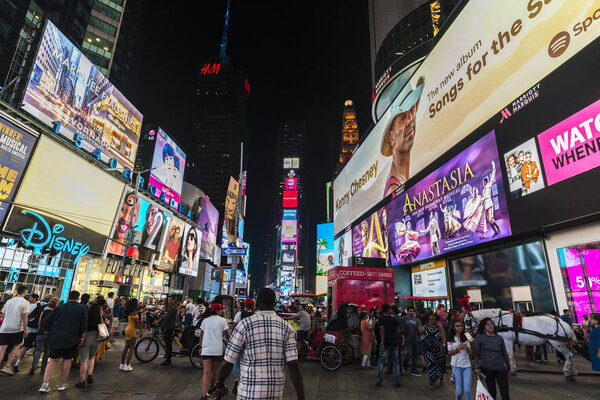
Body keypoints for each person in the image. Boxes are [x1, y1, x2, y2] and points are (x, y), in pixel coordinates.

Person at [213, 288, 305, 400]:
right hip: (274, 395)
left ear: (257, 303)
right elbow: (293, 365)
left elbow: (228, 362)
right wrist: (301, 397)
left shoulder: (244, 325)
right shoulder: (287, 328)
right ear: (274, 304)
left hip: (247, 394)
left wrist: (220, 384)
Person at [380, 76, 425, 196]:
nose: (410, 120)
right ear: (391, 137)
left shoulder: (400, 180)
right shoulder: (394, 190)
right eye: (402, 118)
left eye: (412, 111)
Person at [39, 291, 88, 393]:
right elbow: (84, 324)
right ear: (78, 298)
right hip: (71, 338)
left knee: (52, 360)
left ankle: (45, 384)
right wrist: (82, 336)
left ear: (68, 297)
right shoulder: (81, 308)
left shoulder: (59, 307)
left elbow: (46, 320)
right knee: (67, 360)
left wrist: (47, 331)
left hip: (56, 337)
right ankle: (62, 383)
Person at [474, 317, 511, 400]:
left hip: (501, 368)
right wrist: (476, 366)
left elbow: (504, 354)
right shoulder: (480, 337)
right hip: (487, 368)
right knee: (492, 392)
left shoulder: (499, 338)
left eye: (492, 324)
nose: (491, 326)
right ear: (484, 327)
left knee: (505, 393)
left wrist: (508, 367)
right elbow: (476, 353)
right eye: (488, 324)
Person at [199, 303, 230, 399]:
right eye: (220, 310)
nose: (222, 311)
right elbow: (226, 334)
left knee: (206, 371)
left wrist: (200, 347)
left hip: (206, 349)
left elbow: (201, 335)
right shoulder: (223, 321)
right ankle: (211, 388)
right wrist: (231, 344)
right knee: (214, 371)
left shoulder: (205, 321)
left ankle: (204, 395)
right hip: (217, 350)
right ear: (217, 311)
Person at [77, 297, 108, 387]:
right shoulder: (101, 316)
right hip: (97, 338)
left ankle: (82, 381)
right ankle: (90, 375)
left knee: (83, 360)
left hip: (87, 337)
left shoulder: (87, 314)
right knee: (91, 358)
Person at [0, 285, 30, 375]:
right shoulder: (25, 303)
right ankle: (7, 366)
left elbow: (3, 315)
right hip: (17, 328)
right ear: (25, 292)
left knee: (2, 348)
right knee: (17, 345)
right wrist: (25, 330)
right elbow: (25, 317)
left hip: (5, 327)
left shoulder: (9, 301)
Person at [14, 293, 46, 372]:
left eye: (31, 297)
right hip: (36, 330)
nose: (29, 298)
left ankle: (17, 363)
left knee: (25, 346)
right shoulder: (41, 306)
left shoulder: (28, 306)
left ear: (34, 298)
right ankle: (33, 364)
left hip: (28, 329)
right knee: (36, 348)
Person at [231, 298, 255, 395]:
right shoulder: (255, 315)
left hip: (240, 341)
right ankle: (248, 382)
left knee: (237, 362)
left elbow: (234, 327)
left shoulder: (239, 314)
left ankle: (237, 379)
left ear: (244, 305)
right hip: (251, 342)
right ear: (253, 306)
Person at [31, 297, 59, 374]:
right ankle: (43, 369)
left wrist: (40, 330)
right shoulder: (56, 313)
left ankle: (34, 365)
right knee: (47, 351)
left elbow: (39, 322)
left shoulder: (44, 311)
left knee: (38, 350)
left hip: (41, 333)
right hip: (51, 334)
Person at [376, 304, 402, 387]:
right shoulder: (393, 319)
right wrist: (395, 337)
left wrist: (383, 342)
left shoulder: (381, 319)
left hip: (386, 342)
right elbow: (398, 331)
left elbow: (382, 331)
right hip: (394, 342)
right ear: (387, 310)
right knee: (396, 362)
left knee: (381, 361)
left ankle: (379, 379)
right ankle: (398, 381)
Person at [448, 320, 473, 400]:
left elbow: (472, 353)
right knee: (459, 392)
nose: (459, 327)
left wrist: (471, 344)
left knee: (467, 390)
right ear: (454, 327)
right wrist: (458, 349)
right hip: (456, 366)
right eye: (457, 326)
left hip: (467, 366)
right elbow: (449, 353)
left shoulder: (467, 336)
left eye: (461, 326)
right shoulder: (451, 338)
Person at [108, 192, 140, 256]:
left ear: (136, 219)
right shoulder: (101, 243)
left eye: (132, 214)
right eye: (122, 210)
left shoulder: (133, 253)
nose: (125, 218)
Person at [424, 313, 446, 389]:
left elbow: (444, 338)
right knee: (430, 365)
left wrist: (443, 344)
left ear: (436, 320)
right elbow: (423, 336)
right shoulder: (426, 327)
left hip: (439, 350)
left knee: (439, 366)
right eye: (430, 319)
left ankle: (440, 377)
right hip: (429, 350)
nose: (431, 320)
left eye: (433, 319)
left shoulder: (440, 328)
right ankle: (432, 383)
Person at [120, 298, 142, 371]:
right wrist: (141, 331)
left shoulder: (130, 311)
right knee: (132, 348)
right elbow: (137, 323)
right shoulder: (134, 313)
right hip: (132, 330)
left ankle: (122, 364)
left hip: (127, 329)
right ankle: (127, 365)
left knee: (126, 347)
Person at [481, 161, 501, 237]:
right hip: (485, 206)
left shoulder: (489, 185)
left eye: (483, 182)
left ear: (485, 182)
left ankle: (498, 227)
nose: (483, 183)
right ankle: (495, 231)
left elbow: (493, 176)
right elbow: (483, 199)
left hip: (489, 203)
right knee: (489, 222)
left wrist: (493, 167)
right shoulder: (483, 190)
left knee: (490, 219)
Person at [402, 306, 423, 376]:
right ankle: (405, 362)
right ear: (407, 312)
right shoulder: (404, 319)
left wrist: (421, 331)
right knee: (409, 353)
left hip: (416, 340)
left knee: (416, 356)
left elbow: (420, 328)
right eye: (410, 311)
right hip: (408, 340)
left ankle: (414, 370)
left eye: (412, 311)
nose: (411, 312)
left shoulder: (417, 320)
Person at [161, 295, 178, 366]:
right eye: (168, 300)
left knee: (168, 342)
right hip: (168, 325)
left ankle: (168, 359)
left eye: (170, 300)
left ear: (173, 300)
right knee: (166, 341)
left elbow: (167, 316)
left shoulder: (173, 307)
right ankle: (168, 355)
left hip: (170, 326)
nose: (168, 301)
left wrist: (158, 321)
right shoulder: (171, 306)